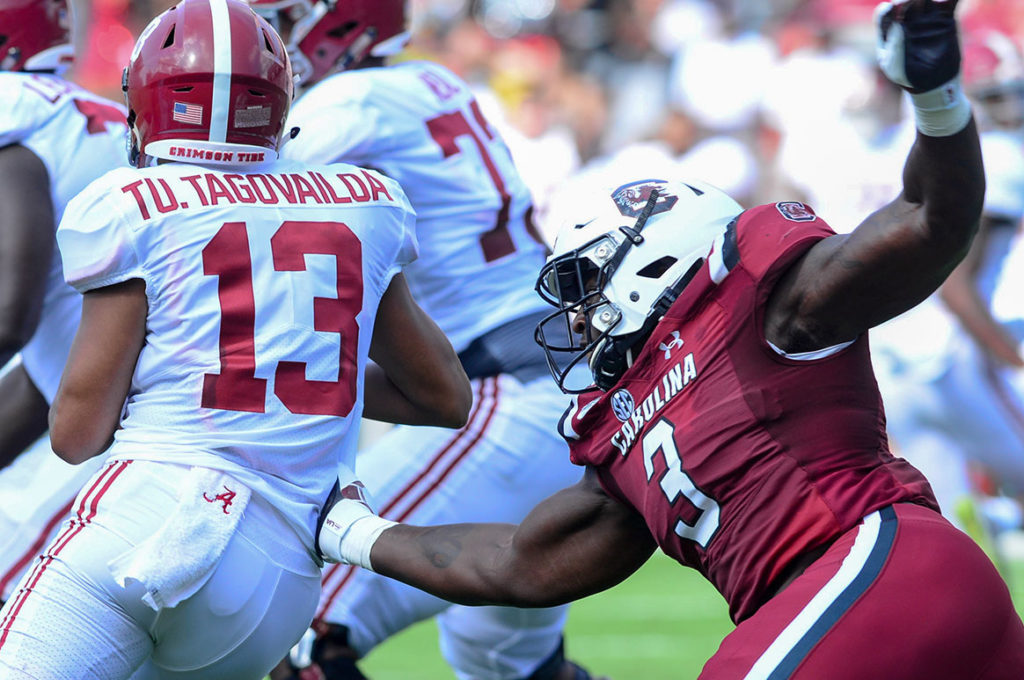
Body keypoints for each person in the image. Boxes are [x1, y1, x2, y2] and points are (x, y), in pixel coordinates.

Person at [314, 1, 1024, 678]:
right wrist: (353, 532)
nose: (580, 319)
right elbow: (517, 562)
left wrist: (935, 97)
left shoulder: (763, 308)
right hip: (856, 603)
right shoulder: (621, 428)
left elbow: (931, 221)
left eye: (588, 289)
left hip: (872, 559)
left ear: (656, 258)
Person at [0, 1, 471, 678]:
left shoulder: (131, 206)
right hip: (278, 576)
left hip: (148, 515)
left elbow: (77, 433)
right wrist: (285, 373)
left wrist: (202, 370)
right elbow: (445, 398)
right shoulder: (363, 201)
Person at [247, 3, 598, 679]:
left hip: (502, 401)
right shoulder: (432, 84)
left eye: (284, 20)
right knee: (507, 666)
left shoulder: (351, 101)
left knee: (291, 613)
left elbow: (226, 198)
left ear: (339, 25)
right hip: (555, 387)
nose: (269, 42)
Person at [0, 0, 129, 606]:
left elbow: (9, 313)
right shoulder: (95, 117)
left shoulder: (14, 116)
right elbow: (54, 358)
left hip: (133, 436)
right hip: (167, 414)